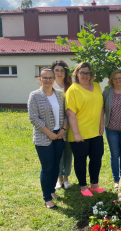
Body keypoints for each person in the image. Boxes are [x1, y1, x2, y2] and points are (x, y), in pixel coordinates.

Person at [28, 67, 67, 209]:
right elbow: (33, 118)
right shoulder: (35, 95)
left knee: (56, 165)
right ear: (40, 79)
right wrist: (49, 133)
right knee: (47, 167)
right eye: (45, 77)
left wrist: (63, 129)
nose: (48, 80)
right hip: (43, 137)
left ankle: (51, 190)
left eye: (50, 77)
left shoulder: (60, 94)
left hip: (59, 135)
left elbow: (65, 114)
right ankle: (47, 198)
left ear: (54, 79)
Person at [65, 62, 106, 197]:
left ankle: (94, 185)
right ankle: (83, 187)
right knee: (81, 159)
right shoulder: (73, 89)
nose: (85, 75)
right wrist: (76, 133)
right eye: (82, 72)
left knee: (97, 157)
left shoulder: (96, 86)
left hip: (95, 131)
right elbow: (70, 113)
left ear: (91, 75)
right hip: (79, 132)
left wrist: (101, 124)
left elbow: (100, 107)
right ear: (77, 73)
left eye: (87, 73)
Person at [103, 70, 121, 190]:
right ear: (111, 80)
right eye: (115, 78)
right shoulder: (107, 93)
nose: (118, 80)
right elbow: (102, 110)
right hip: (111, 128)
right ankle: (116, 180)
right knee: (114, 154)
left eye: (120, 78)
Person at [51, 60, 73, 190]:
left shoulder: (70, 87)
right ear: (53, 72)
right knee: (57, 152)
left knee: (68, 152)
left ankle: (66, 178)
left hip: (69, 124)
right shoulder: (49, 85)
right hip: (54, 126)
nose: (59, 73)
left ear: (65, 73)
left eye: (62, 70)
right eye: (57, 70)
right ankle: (59, 179)